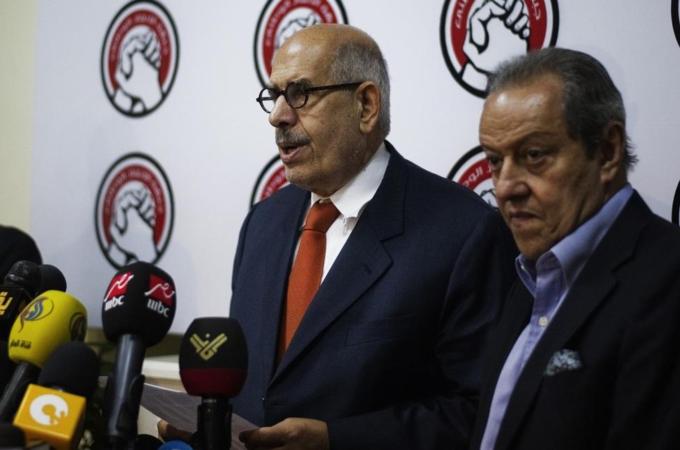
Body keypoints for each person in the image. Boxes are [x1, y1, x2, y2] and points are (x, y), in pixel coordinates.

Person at [230, 24, 516, 450]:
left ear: (365, 105)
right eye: (275, 96)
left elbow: (478, 412)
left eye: (301, 93)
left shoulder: (463, 233)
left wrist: (337, 441)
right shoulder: (262, 224)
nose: (278, 116)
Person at [470, 47, 680, 450]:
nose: (505, 187)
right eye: (495, 161)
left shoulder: (668, 281)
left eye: (534, 155)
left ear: (607, 151)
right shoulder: (525, 271)